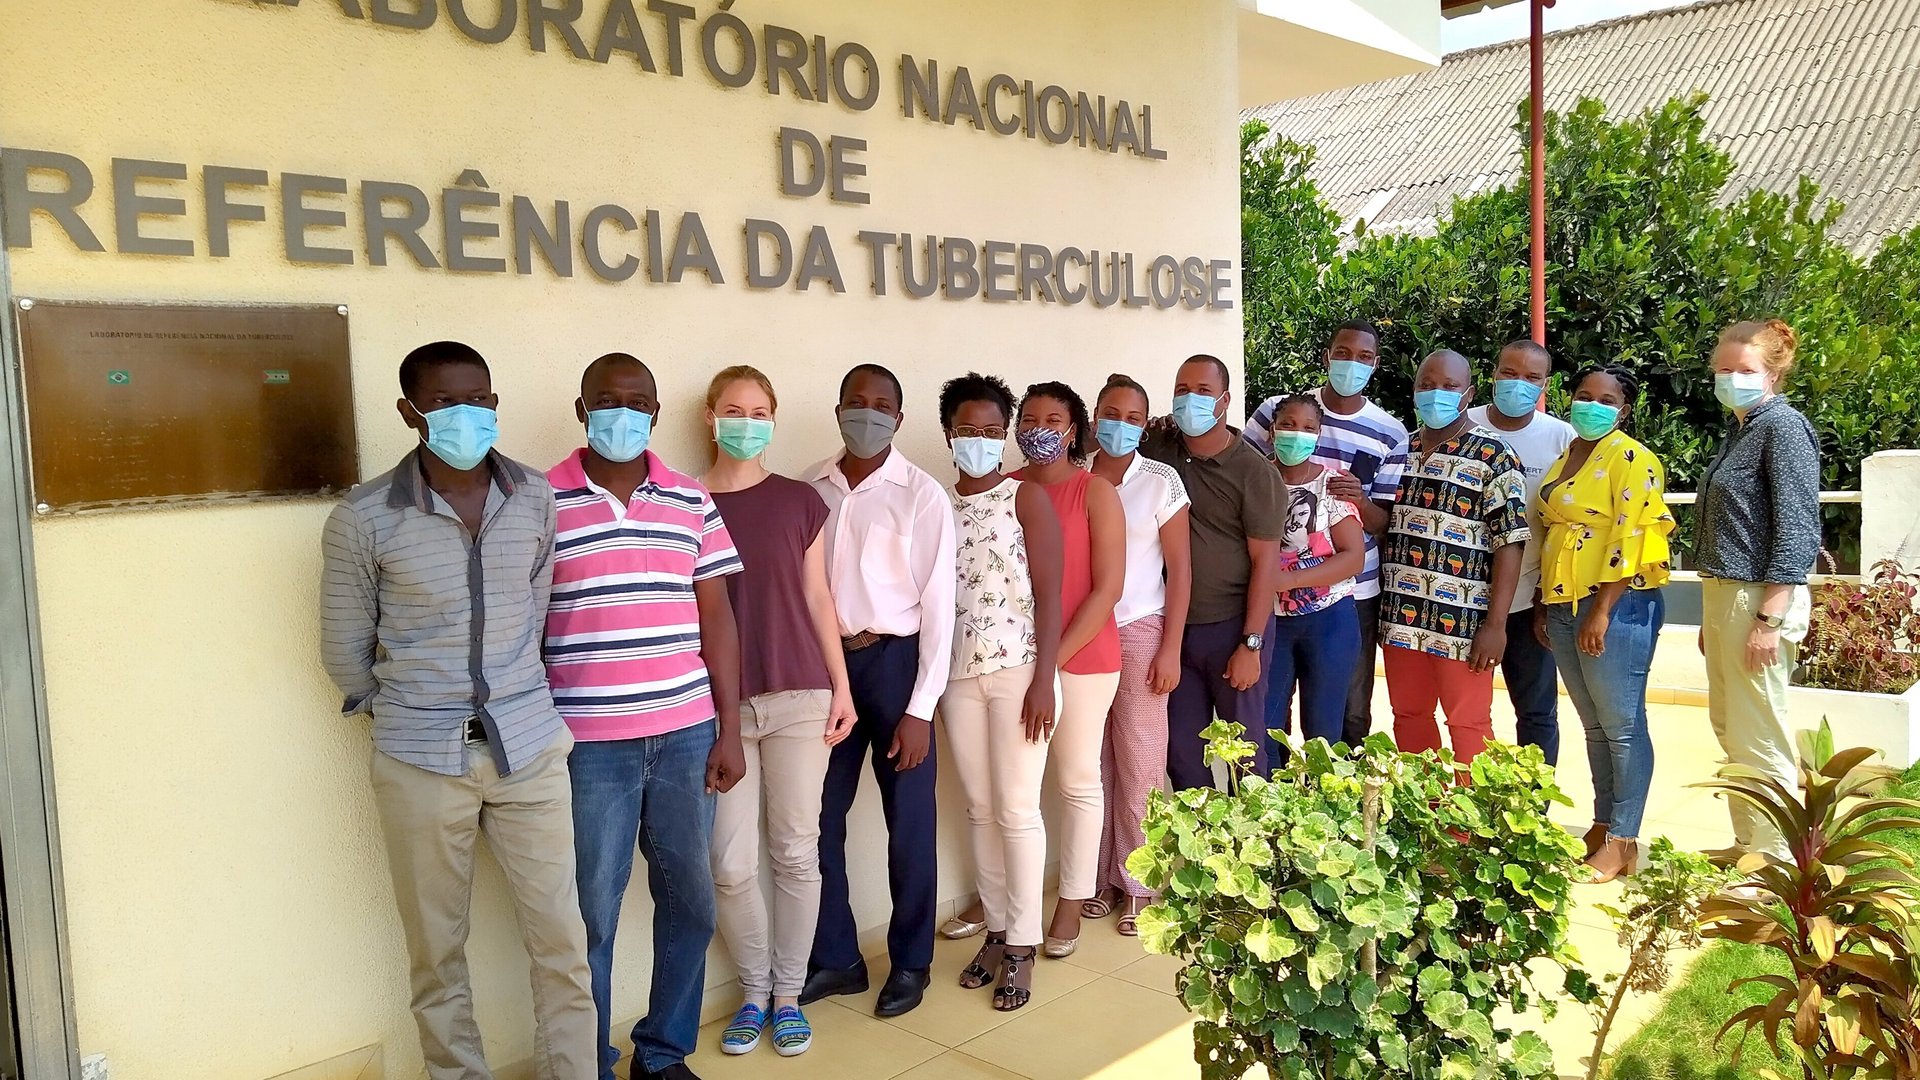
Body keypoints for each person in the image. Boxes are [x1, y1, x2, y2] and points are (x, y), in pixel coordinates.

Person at [321, 341, 596, 1080]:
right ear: (409, 411)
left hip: (529, 750)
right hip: (420, 759)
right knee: (437, 953)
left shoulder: (535, 497)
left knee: (562, 942)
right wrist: (409, 715)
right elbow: (346, 651)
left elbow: (533, 612)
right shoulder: (365, 517)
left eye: (478, 397)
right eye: (443, 401)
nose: (465, 412)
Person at [543, 352, 745, 1080]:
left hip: (688, 734)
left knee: (690, 900)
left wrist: (729, 728)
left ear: (656, 414)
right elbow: (522, 623)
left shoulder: (691, 498)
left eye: (637, 401)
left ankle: (661, 1055)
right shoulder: (540, 500)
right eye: (607, 398)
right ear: (582, 409)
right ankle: (587, 1062)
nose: (622, 412)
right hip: (587, 744)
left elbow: (717, 616)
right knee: (590, 916)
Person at [700, 366, 857, 1059]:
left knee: (795, 852)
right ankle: (753, 990)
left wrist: (843, 688)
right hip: (718, 707)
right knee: (729, 864)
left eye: (759, 410)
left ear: (774, 417)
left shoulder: (800, 502)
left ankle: (789, 995)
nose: (746, 420)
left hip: (800, 694)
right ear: (710, 416)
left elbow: (820, 600)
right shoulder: (682, 502)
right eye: (733, 409)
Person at [801, 364, 958, 1019]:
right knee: (814, 819)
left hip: (897, 669)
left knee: (909, 827)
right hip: (829, 671)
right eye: (855, 403)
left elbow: (941, 608)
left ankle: (911, 962)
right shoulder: (812, 487)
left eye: (881, 405)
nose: (866, 414)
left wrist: (921, 709)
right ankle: (837, 958)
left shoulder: (921, 495)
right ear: (838, 409)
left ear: (899, 417)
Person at [937, 372, 1064, 1013]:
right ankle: (994, 927)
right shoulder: (935, 505)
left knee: (1017, 809)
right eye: (968, 431)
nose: (980, 441)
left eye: (992, 432)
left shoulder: (1025, 499)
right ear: (948, 433)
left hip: (1020, 672)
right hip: (958, 676)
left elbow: (1050, 593)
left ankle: (1023, 944)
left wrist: (1045, 679)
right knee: (981, 809)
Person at [1536, 365, 1675, 884]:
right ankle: (1601, 825)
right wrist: (1549, 600)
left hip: (1614, 605)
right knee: (1593, 725)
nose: (1590, 405)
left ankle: (1624, 839)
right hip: (1565, 601)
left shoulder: (1633, 458)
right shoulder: (1566, 454)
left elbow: (1634, 536)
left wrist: (1602, 608)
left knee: (1621, 726)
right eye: (1583, 395)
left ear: (1625, 409)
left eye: (1605, 399)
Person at [1245, 320, 1409, 746]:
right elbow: (1239, 474)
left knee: (1344, 714)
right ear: (1326, 356)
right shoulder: (1274, 409)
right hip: (1268, 606)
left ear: (1375, 364)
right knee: (1267, 716)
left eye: (1364, 357)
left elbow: (1381, 522)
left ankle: (1340, 803)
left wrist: (1359, 499)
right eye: (1343, 353)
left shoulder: (1390, 432)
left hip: (1346, 596)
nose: (1351, 363)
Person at [1695, 319, 1821, 863]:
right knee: (1731, 724)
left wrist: (1769, 617)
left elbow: (1796, 524)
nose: (1731, 379)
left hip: (1759, 598)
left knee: (1760, 731)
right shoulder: (1742, 428)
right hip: (1727, 593)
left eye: (1744, 370)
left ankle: (1772, 859)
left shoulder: (1783, 427)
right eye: (1723, 369)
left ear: (1772, 371)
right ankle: (1749, 842)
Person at [1013, 381, 1124, 956]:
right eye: (1028, 418)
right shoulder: (1005, 490)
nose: (1040, 429)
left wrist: (1050, 661)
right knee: (1014, 794)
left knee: (1077, 780)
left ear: (1074, 429)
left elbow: (1107, 588)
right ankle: (1011, 902)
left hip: (1084, 659)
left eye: (1053, 420)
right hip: (1013, 664)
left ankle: (1072, 901)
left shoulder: (1095, 492)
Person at [1141, 355, 1287, 787]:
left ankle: (1256, 851)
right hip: (1174, 631)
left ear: (1224, 400)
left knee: (1243, 753)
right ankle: (1206, 851)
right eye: (1182, 390)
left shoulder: (1253, 472)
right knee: (1182, 753)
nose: (1191, 400)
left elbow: (1266, 563)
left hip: (1233, 628)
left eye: (1203, 392)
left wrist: (1251, 644)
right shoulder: (1159, 449)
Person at [1379, 349, 1529, 766]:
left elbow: (1511, 541)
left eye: (1448, 387)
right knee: (1408, 717)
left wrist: (1496, 625)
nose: (1436, 395)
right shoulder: (1399, 450)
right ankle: (1425, 816)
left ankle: (1472, 828)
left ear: (1469, 394)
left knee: (1469, 724)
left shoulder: (1494, 455)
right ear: (1413, 389)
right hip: (1401, 616)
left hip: (1463, 622)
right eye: (1427, 385)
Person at [1087, 375, 1191, 937]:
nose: (1119, 425)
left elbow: (1181, 570)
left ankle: (1142, 881)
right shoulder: (1076, 474)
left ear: (1145, 423)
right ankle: (1099, 876)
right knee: (1093, 761)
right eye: (1111, 412)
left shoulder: (1160, 480)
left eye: (1132, 416)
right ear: (1095, 413)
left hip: (1139, 630)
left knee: (1140, 757)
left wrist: (1170, 645)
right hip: (1084, 633)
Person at [1465, 340, 1576, 763]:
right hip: (1464, 597)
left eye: (1532, 378)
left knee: (1536, 712)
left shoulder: (1560, 437)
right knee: (1468, 712)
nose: (1518, 385)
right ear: (1492, 374)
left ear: (1546, 384)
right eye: (1509, 373)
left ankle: (1534, 808)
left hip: (1531, 601)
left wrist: (1550, 595)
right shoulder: (1463, 425)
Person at [1263, 394, 1367, 755]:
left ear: (1319, 434)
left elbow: (1353, 557)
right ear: (1272, 431)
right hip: (1268, 623)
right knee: (1265, 727)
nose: (1297, 434)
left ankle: (1323, 807)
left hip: (1329, 622)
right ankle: (1272, 807)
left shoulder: (1332, 484)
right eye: (1288, 425)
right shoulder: (1255, 479)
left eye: (1308, 428)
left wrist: (1288, 581)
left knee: (1323, 733)